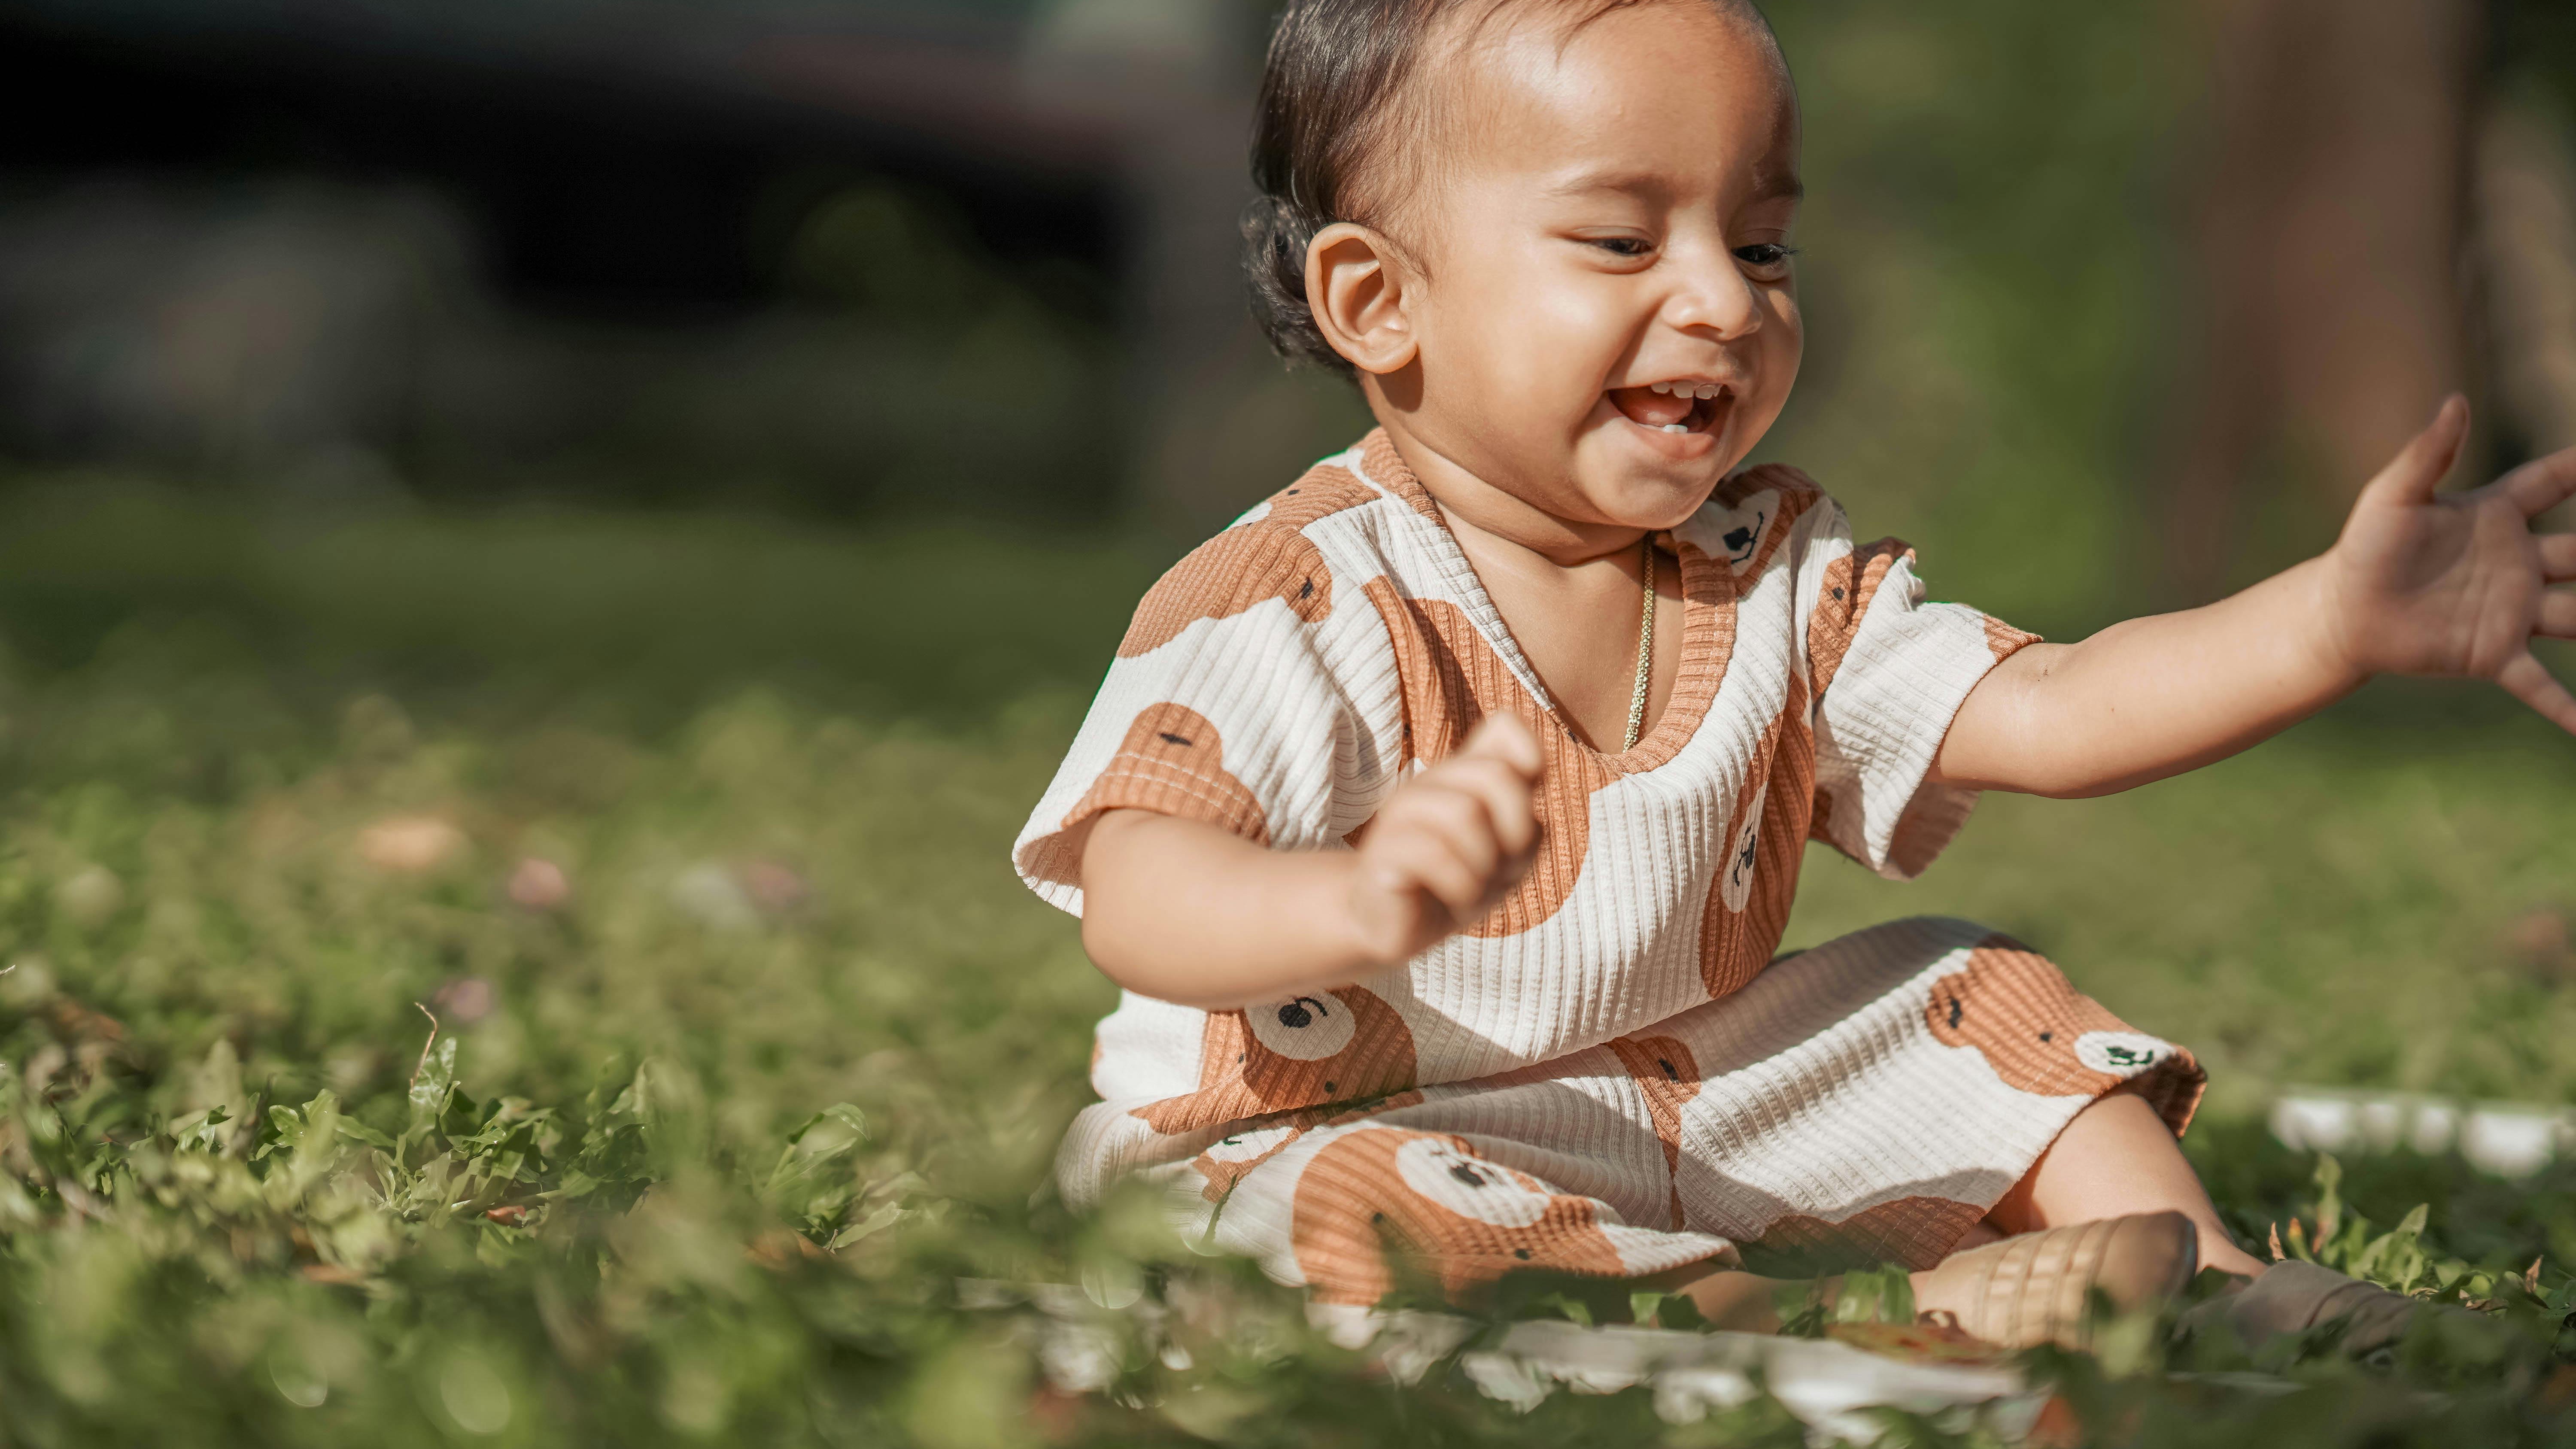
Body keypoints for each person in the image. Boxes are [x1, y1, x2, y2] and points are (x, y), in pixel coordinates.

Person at [1010, 0, 2576, 1349]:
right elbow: (1142, 882)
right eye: (1624, 238)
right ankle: (1839, 1322)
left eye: (1759, 241)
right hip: (1330, 1121)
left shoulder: (1771, 566)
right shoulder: (1302, 591)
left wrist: (2327, 624)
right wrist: (1347, 909)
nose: (1720, 298)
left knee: (1967, 993)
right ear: (1381, 301)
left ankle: (2214, 1280)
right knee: (1338, 1216)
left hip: (1677, 1094)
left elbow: (2054, 709)